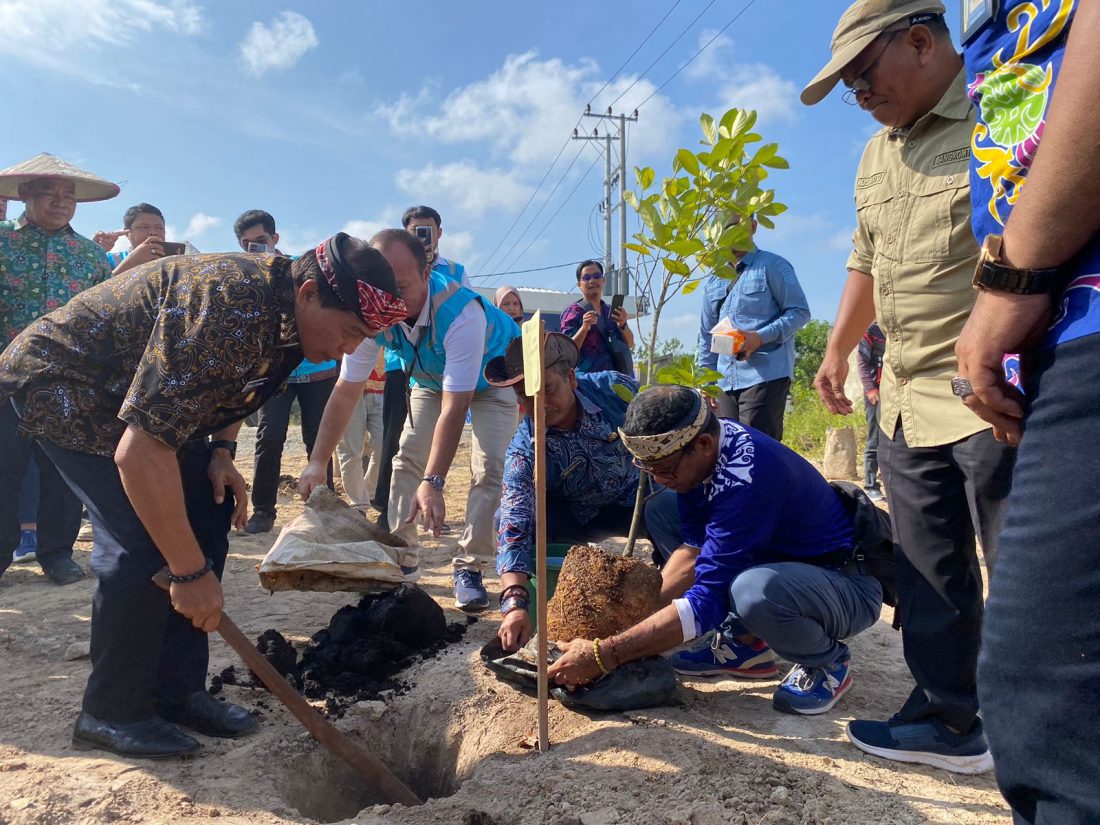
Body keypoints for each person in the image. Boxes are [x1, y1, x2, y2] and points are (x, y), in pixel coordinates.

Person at [0, 232, 407, 758]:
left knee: (207, 516)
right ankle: (111, 710)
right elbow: (138, 453)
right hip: (68, 385)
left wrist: (220, 452)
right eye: (350, 332)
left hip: (146, 400)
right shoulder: (230, 304)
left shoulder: (288, 316)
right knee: (147, 544)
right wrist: (189, 574)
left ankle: (176, 691)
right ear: (308, 294)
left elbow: (237, 385)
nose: (349, 349)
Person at [801, 0, 1016, 773]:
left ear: (922, 42)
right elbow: (866, 260)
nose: (860, 96)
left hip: (991, 390)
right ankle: (948, 718)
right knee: (928, 569)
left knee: (1021, 567)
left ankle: (1042, 732)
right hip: (902, 394)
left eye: (863, 76)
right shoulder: (874, 156)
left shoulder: (1004, 110)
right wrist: (838, 348)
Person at [953, 2, 1100, 819]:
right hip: (1058, 329)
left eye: (868, 71)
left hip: (1080, 309)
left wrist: (1018, 275)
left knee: (1048, 693)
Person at [547, 385, 887, 717]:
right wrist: (630, 624)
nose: (659, 478)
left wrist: (607, 654)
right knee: (663, 508)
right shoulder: (698, 455)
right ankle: (746, 643)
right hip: (786, 565)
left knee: (752, 591)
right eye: (648, 469)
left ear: (704, 444)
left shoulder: (746, 479)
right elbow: (695, 552)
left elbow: (706, 600)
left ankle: (827, 660)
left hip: (843, 585)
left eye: (663, 469)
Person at [301, 229, 519, 612]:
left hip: (494, 377)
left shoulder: (461, 313)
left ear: (426, 273)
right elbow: (346, 389)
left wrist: (434, 482)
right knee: (405, 460)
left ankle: (470, 565)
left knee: (489, 468)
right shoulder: (373, 308)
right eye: (383, 286)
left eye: (401, 286)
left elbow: (456, 406)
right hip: (431, 378)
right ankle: (402, 558)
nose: (392, 299)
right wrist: (318, 461)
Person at [488, 333, 681, 652]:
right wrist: (514, 601)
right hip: (577, 516)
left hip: (639, 497)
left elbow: (666, 415)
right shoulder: (526, 449)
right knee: (513, 516)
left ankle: (682, 605)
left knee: (675, 506)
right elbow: (514, 522)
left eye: (548, 389)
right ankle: (552, 606)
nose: (540, 405)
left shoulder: (615, 390)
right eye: (526, 397)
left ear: (571, 378)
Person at [0, 152, 118, 586]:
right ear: (26, 194)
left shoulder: (88, 256)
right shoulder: (1, 242)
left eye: (68, 196)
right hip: (4, 380)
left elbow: (98, 318)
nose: (60, 202)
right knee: (2, 470)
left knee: (62, 471)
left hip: (67, 381)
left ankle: (57, 553)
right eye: (49, 193)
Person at [232, 210, 340, 535]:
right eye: (247, 244)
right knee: (269, 434)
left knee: (318, 439)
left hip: (316, 367)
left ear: (275, 239)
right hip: (274, 373)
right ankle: (263, 511)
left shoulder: (300, 268)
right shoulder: (241, 279)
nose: (256, 249)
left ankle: (325, 513)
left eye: (261, 241)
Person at [373, 206, 471, 527]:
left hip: (450, 356)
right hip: (402, 361)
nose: (422, 235)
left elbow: (465, 316)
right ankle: (387, 510)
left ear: (439, 233)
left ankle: (431, 486)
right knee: (397, 438)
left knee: (447, 425)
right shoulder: (389, 268)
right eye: (415, 230)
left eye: (427, 230)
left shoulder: (456, 270)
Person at [696, 217, 810, 442]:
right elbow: (706, 336)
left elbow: (799, 312)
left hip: (764, 376)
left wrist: (759, 337)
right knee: (728, 451)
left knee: (758, 451)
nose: (730, 231)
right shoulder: (714, 280)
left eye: (737, 224)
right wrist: (706, 384)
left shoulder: (773, 266)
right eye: (724, 226)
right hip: (724, 382)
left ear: (753, 226)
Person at [560, 260, 635, 375]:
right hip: (588, 385)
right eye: (586, 277)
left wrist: (623, 324)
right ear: (579, 284)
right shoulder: (572, 313)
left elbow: (630, 343)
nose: (592, 280)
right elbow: (568, 352)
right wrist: (584, 328)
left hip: (618, 382)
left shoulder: (612, 311)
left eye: (596, 276)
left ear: (603, 280)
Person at [334, 349, 386, 509]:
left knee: (382, 446)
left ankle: (371, 493)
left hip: (382, 385)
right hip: (348, 386)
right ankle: (358, 503)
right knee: (349, 450)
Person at [94, 203, 172, 275]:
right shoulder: (110, 260)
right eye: (144, 227)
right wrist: (94, 253)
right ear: (127, 233)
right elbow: (94, 288)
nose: (153, 232)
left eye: (159, 228)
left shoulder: (173, 261)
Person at [857, 321, 886, 501]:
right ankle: (870, 484)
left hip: (898, 394)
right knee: (874, 440)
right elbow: (861, 362)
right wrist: (870, 389)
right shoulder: (871, 330)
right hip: (876, 394)